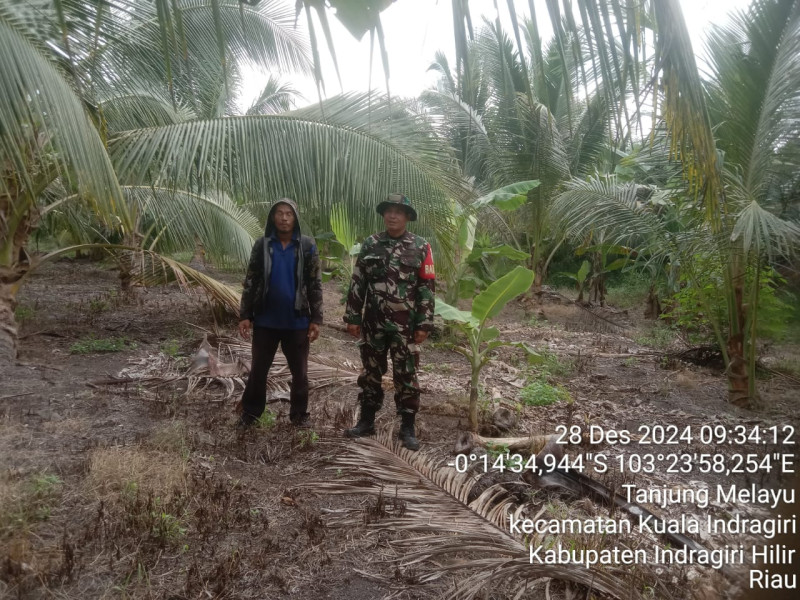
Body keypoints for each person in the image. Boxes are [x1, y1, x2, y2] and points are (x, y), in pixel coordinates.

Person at [343, 193, 435, 451]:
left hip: (405, 327)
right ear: (384, 214)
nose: (393, 215)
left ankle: (407, 427)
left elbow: (427, 288)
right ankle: (366, 420)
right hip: (373, 323)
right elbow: (358, 282)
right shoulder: (371, 244)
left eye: (399, 211)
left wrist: (424, 324)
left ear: (407, 217)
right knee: (371, 373)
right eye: (389, 211)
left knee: (406, 374)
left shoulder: (421, 246)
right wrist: (352, 316)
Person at [237, 198, 322, 429]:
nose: (284, 218)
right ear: (272, 217)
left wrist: (316, 318)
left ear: (295, 218)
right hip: (265, 320)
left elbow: (315, 283)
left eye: (289, 214)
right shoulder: (262, 245)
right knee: (258, 370)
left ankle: (299, 416)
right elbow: (251, 280)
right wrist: (245, 314)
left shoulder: (306, 246)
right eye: (279, 213)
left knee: (300, 373)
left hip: (297, 321)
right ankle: (251, 414)